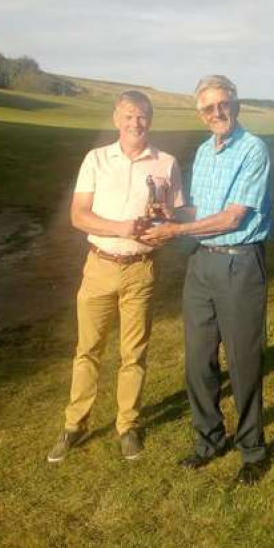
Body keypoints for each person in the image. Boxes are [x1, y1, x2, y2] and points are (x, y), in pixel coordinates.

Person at [142, 75, 273, 485]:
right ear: (200, 114)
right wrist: (170, 215)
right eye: (208, 108)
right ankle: (209, 439)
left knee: (243, 360)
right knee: (198, 360)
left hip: (239, 261)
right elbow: (200, 211)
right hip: (202, 263)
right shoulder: (204, 150)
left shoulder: (254, 149)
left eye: (223, 104)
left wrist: (174, 233)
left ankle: (253, 449)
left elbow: (234, 217)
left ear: (236, 104)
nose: (217, 113)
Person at [47, 90, 183, 463]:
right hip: (100, 266)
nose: (135, 123)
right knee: (87, 350)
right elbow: (78, 215)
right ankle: (75, 425)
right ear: (116, 119)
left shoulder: (166, 163)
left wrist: (164, 222)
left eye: (142, 116)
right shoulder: (96, 159)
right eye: (129, 115)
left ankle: (128, 426)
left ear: (150, 121)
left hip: (142, 269)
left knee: (134, 353)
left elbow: (172, 219)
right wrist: (121, 228)